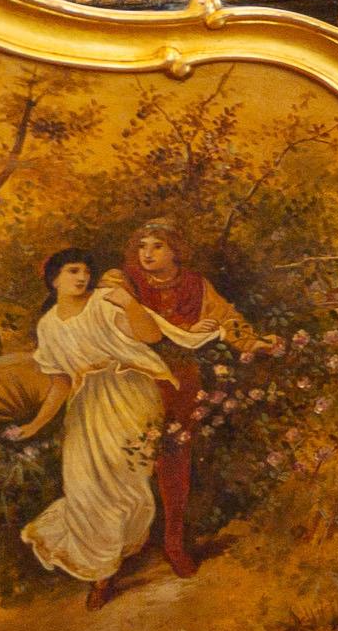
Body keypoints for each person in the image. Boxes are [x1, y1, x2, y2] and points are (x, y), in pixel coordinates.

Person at [5, 250, 171, 609]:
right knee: (84, 487)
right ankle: (102, 571)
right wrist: (34, 425)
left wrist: (129, 304)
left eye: (85, 271)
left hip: (128, 395)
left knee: (123, 484)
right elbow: (61, 384)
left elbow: (150, 335)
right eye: (72, 271)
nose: (81, 277)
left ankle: (109, 568)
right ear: (54, 279)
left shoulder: (103, 303)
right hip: (86, 405)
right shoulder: (48, 326)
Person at [100, 220, 249, 581]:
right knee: (122, 462)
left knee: (173, 460)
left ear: (176, 251)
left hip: (179, 380)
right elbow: (112, 315)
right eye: (142, 246)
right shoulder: (123, 280)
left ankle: (173, 542)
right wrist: (184, 329)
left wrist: (250, 341)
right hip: (134, 380)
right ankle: (112, 557)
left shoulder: (197, 285)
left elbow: (228, 319)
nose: (147, 254)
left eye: (157, 246)